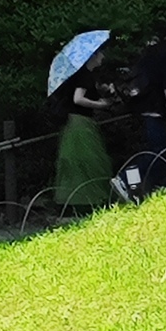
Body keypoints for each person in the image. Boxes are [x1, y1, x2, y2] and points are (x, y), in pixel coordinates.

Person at [121, 22, 166, 196]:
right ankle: (126, 179)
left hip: (141, 103)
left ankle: (139, 187)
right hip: (157, 106)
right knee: (158, 152)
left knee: (150, 150)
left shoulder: (151, 50)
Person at [53, 50, 115, 213]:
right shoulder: (84, 75)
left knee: (76, 162)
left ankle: (74, 202)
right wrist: (100, 105)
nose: (103, 56)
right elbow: (78, 98)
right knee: (90, 160)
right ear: (92, 56)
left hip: (73, 122)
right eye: (100, 53)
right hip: (80, 122)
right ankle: (90, 200)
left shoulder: (81, 74)